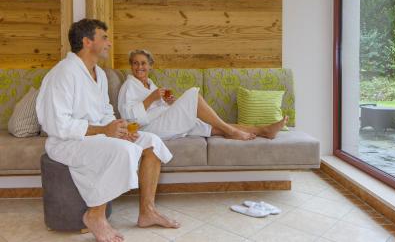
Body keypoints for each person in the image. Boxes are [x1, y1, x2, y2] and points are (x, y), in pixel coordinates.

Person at [36, 19, 180, 242]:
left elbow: (105, 112)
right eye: (104, 37)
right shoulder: (63, 73)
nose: (109, 43)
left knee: (151, 142)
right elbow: (57, 125)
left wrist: (119, 129)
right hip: (67, 142)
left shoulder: (99, 74)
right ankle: (95, 215)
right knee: (123, 151)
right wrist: (104, 130)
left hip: (97, 135)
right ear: (87, 41)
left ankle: (147, 212)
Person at [118, 49, 288, 141]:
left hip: (165, 120)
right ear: (131, 66)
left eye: (143, 63)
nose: (139, 67)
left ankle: (264, 130)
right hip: (152, 128)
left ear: (150, 66)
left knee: (214, 128)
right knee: (193, 94)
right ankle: (232, 131)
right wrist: (151, 98)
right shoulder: (128, 86)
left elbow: (158, 107)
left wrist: (169, 102)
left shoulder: (150, 84)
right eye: (135, 63)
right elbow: (128, 118)